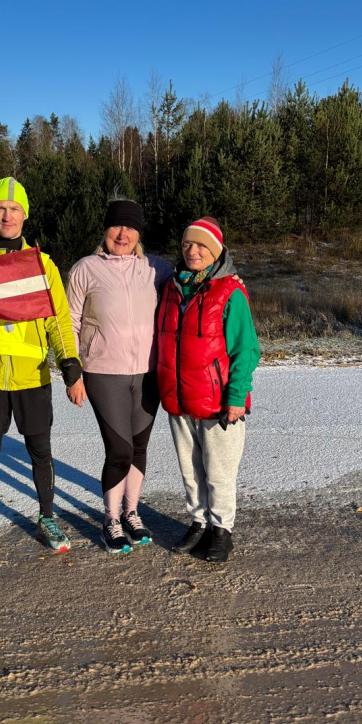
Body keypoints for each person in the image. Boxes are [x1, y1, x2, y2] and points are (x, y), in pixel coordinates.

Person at [0, 178, 83, 559]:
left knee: (40, 452)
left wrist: (71, 366)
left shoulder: (41, 265)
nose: (7, 215)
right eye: (0, 208)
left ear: (25, 215)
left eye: (14, 208)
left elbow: (58, 320)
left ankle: (47, 517)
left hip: (32, 378)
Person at [66, 198, 172, 553]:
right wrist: (73, 371)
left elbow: (193, 282)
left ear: (139, 232)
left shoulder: (156, 269)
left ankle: (131, 513)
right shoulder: (85, 269)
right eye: (116, 226)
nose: (122, 233)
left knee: (139, 446)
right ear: (105, 230)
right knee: (119, 450)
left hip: (148, 372)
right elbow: (69, 322)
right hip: (102, 372)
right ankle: (110, 520)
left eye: (129, 227)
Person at [156, 217, 260, 564]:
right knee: (190, 469)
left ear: (215, 251)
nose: (193, 251)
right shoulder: (171, 287)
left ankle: (222, 530)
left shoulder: (230, 290)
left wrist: (236, 398)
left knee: (218, 471)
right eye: (188, 244)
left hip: (218, 402)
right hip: (179, 398)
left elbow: (246, 350)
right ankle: (198, 522)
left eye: (201, 245)